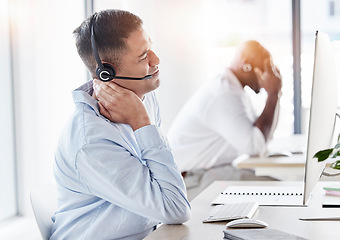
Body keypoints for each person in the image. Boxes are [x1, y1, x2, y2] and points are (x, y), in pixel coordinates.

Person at [50, 9, 190, 240]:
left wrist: (141, 120)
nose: (156, 60)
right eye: (143, 56)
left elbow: (165, 190)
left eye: (150, 47)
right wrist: (141, 123)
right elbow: (175, 208)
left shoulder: (143, 99)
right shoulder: (91, 142)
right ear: (106, 72)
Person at [167, 40, 282, 200]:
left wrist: (275, 93)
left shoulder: (235, 91)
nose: (267, 76)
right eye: (264, 69)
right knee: (275, 193)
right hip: (193, 181)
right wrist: (273, 94)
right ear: (247, 66)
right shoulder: (224, 93)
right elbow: (255, 145)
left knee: (278, 190)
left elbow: (261, 136)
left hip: (210, 173)